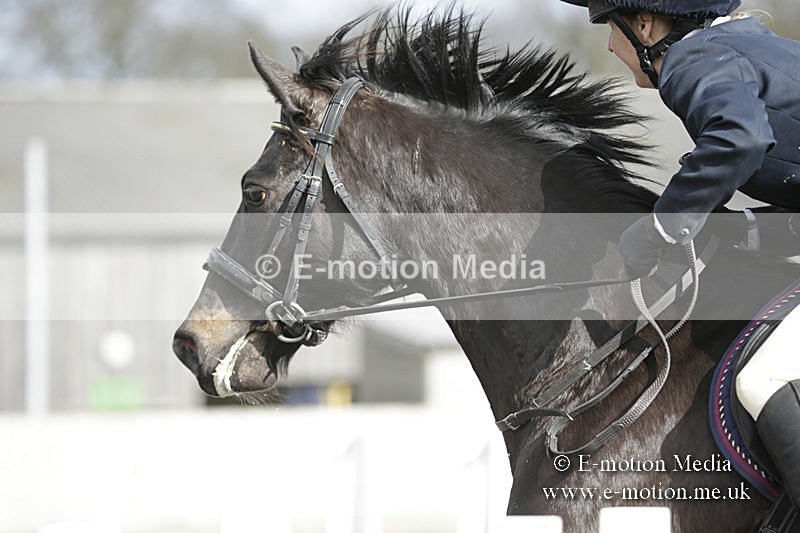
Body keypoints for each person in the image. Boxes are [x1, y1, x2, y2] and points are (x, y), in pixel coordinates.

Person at [560, 0, 800, 509]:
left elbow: (741, 137)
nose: (609, 44)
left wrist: (661, 230)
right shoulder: (746, 49)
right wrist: (747, 231)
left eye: (611, 26)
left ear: (645, 24)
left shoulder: (693, 60)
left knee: (764, 377)